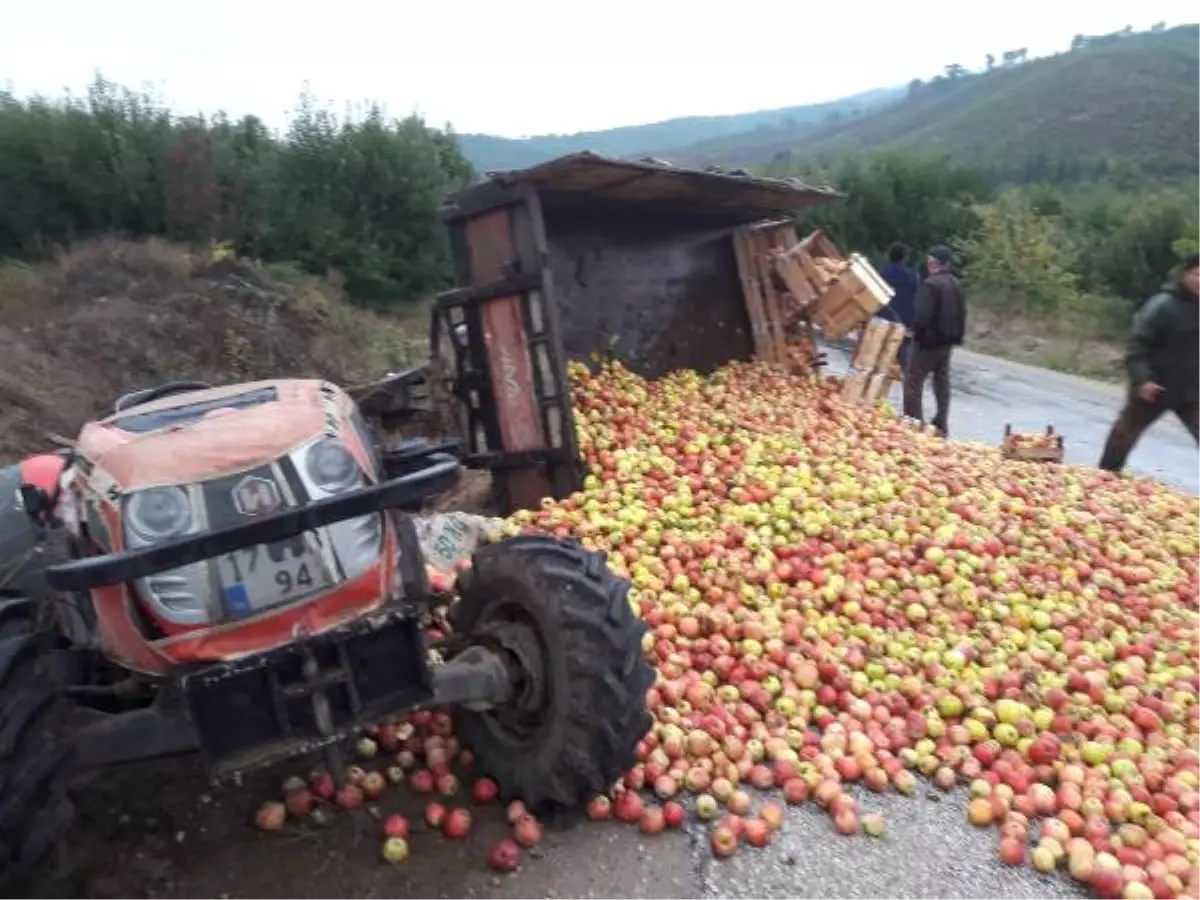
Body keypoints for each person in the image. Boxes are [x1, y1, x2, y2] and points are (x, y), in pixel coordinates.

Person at [1098, 253, 1200, 473]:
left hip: (1192, 392)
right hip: (1155, 386)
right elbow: (1137, 345)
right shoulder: (1163, 305)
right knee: (1125, 433)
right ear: (1185, 275)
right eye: (1197, 274)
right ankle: (1104, 476)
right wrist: (1142, 380)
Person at [901, 245, 967, 437]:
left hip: (927, 342)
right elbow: (962, 313)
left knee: (913, 380)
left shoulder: (931, 284)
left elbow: (922, 314)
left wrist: (912, 329)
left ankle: (913, 421)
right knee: (942, 384)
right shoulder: (956, 284)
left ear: (936, 263)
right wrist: (956, 337)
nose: (929, 264)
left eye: (931, 261)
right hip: (946, 343)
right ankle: (941, 423)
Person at [879, 242, 919, 369]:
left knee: (879, 354)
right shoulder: (913, 277)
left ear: (888, 256)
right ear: (905, 258)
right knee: (903, 358)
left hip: (882, 318)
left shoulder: (882, 275)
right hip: (904, 321)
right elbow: (917, 301)